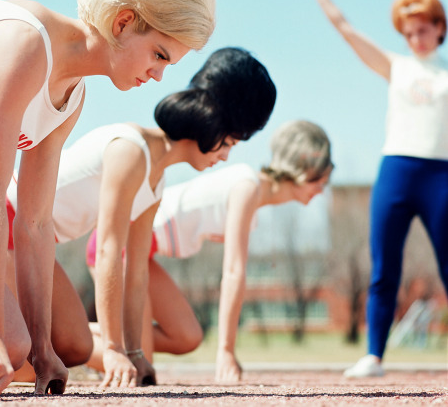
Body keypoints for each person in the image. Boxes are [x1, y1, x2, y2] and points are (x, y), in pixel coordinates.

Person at [0, 0, 215, 399]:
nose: (159, 76)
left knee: (40, 347)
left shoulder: (71, 97)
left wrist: (44, 347)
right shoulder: (23, 42)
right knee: (2, 344)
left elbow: (33, 223)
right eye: (159, 55)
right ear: (124, 21)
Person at [0, 47, 276, 388]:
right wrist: (113, 348)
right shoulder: (131, 149)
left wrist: (133, 351)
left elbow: (134, 270)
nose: (226, 156)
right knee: (21, 359)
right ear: (211, 124)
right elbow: (106, 252)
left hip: (28, 241)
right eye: (230, 143)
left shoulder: (157, 179)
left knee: (75, 347)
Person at [87, 120, 332, 383]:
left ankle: (96, 333)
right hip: (121, 244)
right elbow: (233, 272)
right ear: (302, 168)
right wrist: (225, 351)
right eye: (320, 180)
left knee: (187, 337)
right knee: (138, 370)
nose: (322, 189)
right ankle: (70, 336)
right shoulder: (246, 186)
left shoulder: (252, 204)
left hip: (141, 255)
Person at [301, 0, 448, 378]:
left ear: (440, 27)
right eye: (408, 32)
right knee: (385, 266)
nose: (415, 38)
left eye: (423, 29)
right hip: (397, 172)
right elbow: (347, 30)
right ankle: (374, 356)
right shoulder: (395, 66)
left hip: (441, 176)